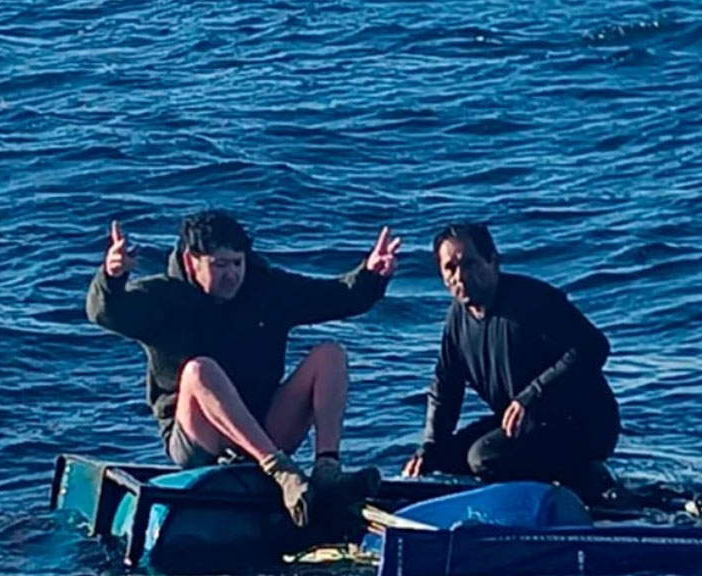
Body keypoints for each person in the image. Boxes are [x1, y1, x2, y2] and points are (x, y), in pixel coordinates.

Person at [87, 210, 400, 527]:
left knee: (330, 355)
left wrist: (372, 276)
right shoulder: (163, 297)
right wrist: (112, 279)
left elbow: (334, 297)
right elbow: (105, 313)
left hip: (264, 426)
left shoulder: (264, 288)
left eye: (237, 263)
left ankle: (327, 472)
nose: (231, 274)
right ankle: (282, 472)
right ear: (191, 259)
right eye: (219, 265)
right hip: (200, 439)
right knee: (198, 370)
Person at [401, 222, 623, 504]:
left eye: (469, 264)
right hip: (525, 428)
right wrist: (428, 448)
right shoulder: (457, 320)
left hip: (582, 425)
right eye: (450, 268)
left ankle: (583, 483)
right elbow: (446, 388)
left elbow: (593, 346)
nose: (461, 276)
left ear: (493, 261)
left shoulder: (532, 301)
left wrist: (532, 396)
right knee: (441, 460)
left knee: (484, 457)